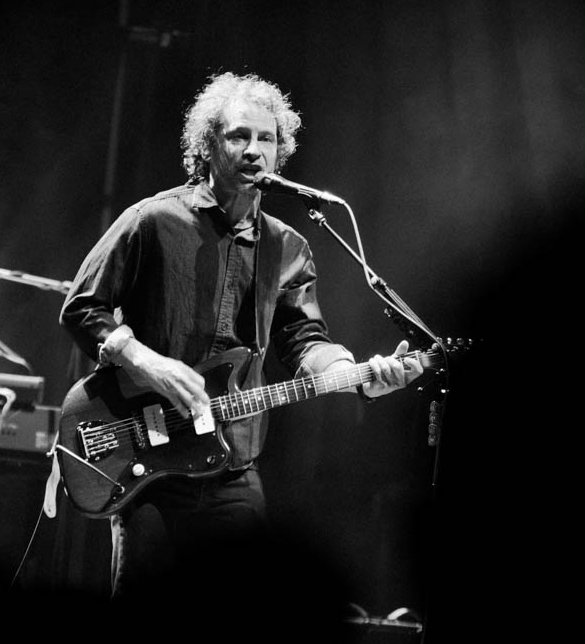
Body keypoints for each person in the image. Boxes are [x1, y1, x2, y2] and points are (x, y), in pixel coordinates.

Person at [57, 72, 423, 601]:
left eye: (267, 138)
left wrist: (358, 375)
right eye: (239, 136)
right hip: (151, 467)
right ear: (208, 145)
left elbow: (304, 342)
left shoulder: (287, 247)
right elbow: (81, 307)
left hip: (232, 467)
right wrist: (146, 362)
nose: (254, 150)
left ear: (280, 152)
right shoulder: (152, 220)